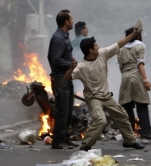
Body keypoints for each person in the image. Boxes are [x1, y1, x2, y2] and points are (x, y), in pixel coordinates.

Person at [63, 26, 145, 151]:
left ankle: (129, 140)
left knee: (122, 115)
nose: (98, 46)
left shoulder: (102, 53)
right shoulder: (81, 67)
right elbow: (67, 78)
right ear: (91, 50)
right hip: (93, 98)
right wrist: (71, 67)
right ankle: (86, 144)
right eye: (96, 46)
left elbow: (119, 44)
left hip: (106, 96)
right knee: (101, 121)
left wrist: (133, 35)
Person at [47, 9, 79, 149]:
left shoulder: (64, 36)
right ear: (66, 21)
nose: (73, 21)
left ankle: (65, 138)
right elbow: (55, 60)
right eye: (71, 19)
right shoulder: (59, 38)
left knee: (68, 109)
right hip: (60, 78)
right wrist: (70, 65)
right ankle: (58, 141)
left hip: (66, 77)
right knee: (62, 110)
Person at [117, 27, 151, 144]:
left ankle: (129, 135)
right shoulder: (140, 46)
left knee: (127, 106)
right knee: (141, 105)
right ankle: (146, 135)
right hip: (137, 76)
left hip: (125, 77)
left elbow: (121, 67)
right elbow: (140, 65)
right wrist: (146, 80)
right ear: (136, 36)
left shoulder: (121, 48)